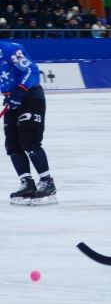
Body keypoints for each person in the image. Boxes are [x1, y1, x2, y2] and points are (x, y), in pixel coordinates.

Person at [1, 42, 57, 205]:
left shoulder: (8, 50)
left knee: (29, 141)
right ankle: (27, 182)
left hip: (30, 96)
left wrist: (19, 91)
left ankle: (47, 183)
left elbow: (31, 70)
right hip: (11, 100)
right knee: (12, 144)